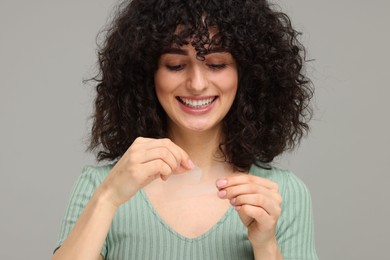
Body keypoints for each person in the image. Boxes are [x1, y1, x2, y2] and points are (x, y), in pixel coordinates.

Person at [53, 0, 318, 259]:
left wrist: (266, 245)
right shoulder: (100, 186)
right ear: (147, 74)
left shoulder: (282, 193)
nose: (197, 84)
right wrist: (108, 198)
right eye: (176, 65)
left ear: (247, 74)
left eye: (216, 64)